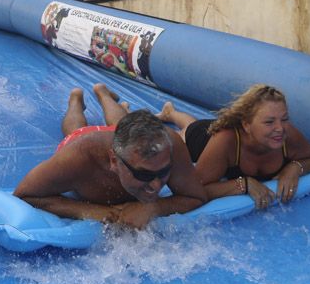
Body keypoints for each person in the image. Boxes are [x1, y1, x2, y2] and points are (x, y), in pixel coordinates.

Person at [13, 83, 207, 228]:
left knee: (122, 123)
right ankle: (75, 100)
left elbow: (196, 196)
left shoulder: (170, 144)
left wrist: (153, 207)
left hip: (122, 139)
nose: (156, 186)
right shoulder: (77, 158)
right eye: (144, 175)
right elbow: (24, 195)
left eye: (164, 171)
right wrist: (89, 210)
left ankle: (103, 93)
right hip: (82, 140)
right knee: (75, 130)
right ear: (114, 161)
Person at [157, 84, 310, 209]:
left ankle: (170, 113)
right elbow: (195, 191)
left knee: (191, 124)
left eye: (284, 119)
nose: (280, 128)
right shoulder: (226, 141)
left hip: (217, 133)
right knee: (183, 134)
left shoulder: (286, 133)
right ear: (247, 125)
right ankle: (168, 114)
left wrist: (294, 168)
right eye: (269, 122)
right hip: (199, 139)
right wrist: (243, 184)